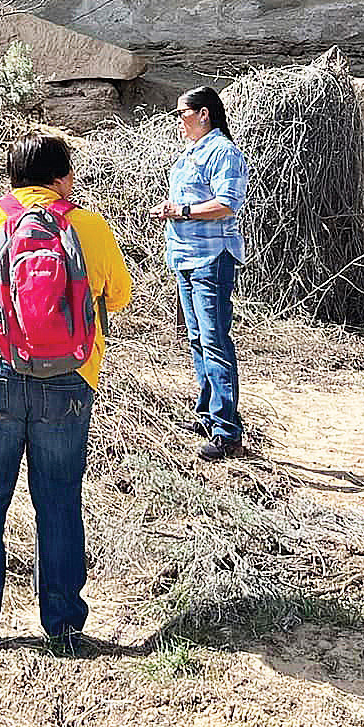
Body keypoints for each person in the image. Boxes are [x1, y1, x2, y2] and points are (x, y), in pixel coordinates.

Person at [0, 134, 132, 647]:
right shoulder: (88, 226)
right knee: (60, 500)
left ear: (11, 178)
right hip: (69, 378)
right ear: (62, 178)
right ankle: (65, 624)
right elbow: (119, 295)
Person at [156, 85, 250, 459]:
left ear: (204, 113)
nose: (179, 121)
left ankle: (227, 431)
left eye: (183, 113)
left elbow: (227, 204)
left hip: (211, 257)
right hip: (187, 256)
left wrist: (181, 211)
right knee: (198, 338)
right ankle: (209, 416)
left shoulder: (223, 153)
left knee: (213, 339)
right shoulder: (195, 152)